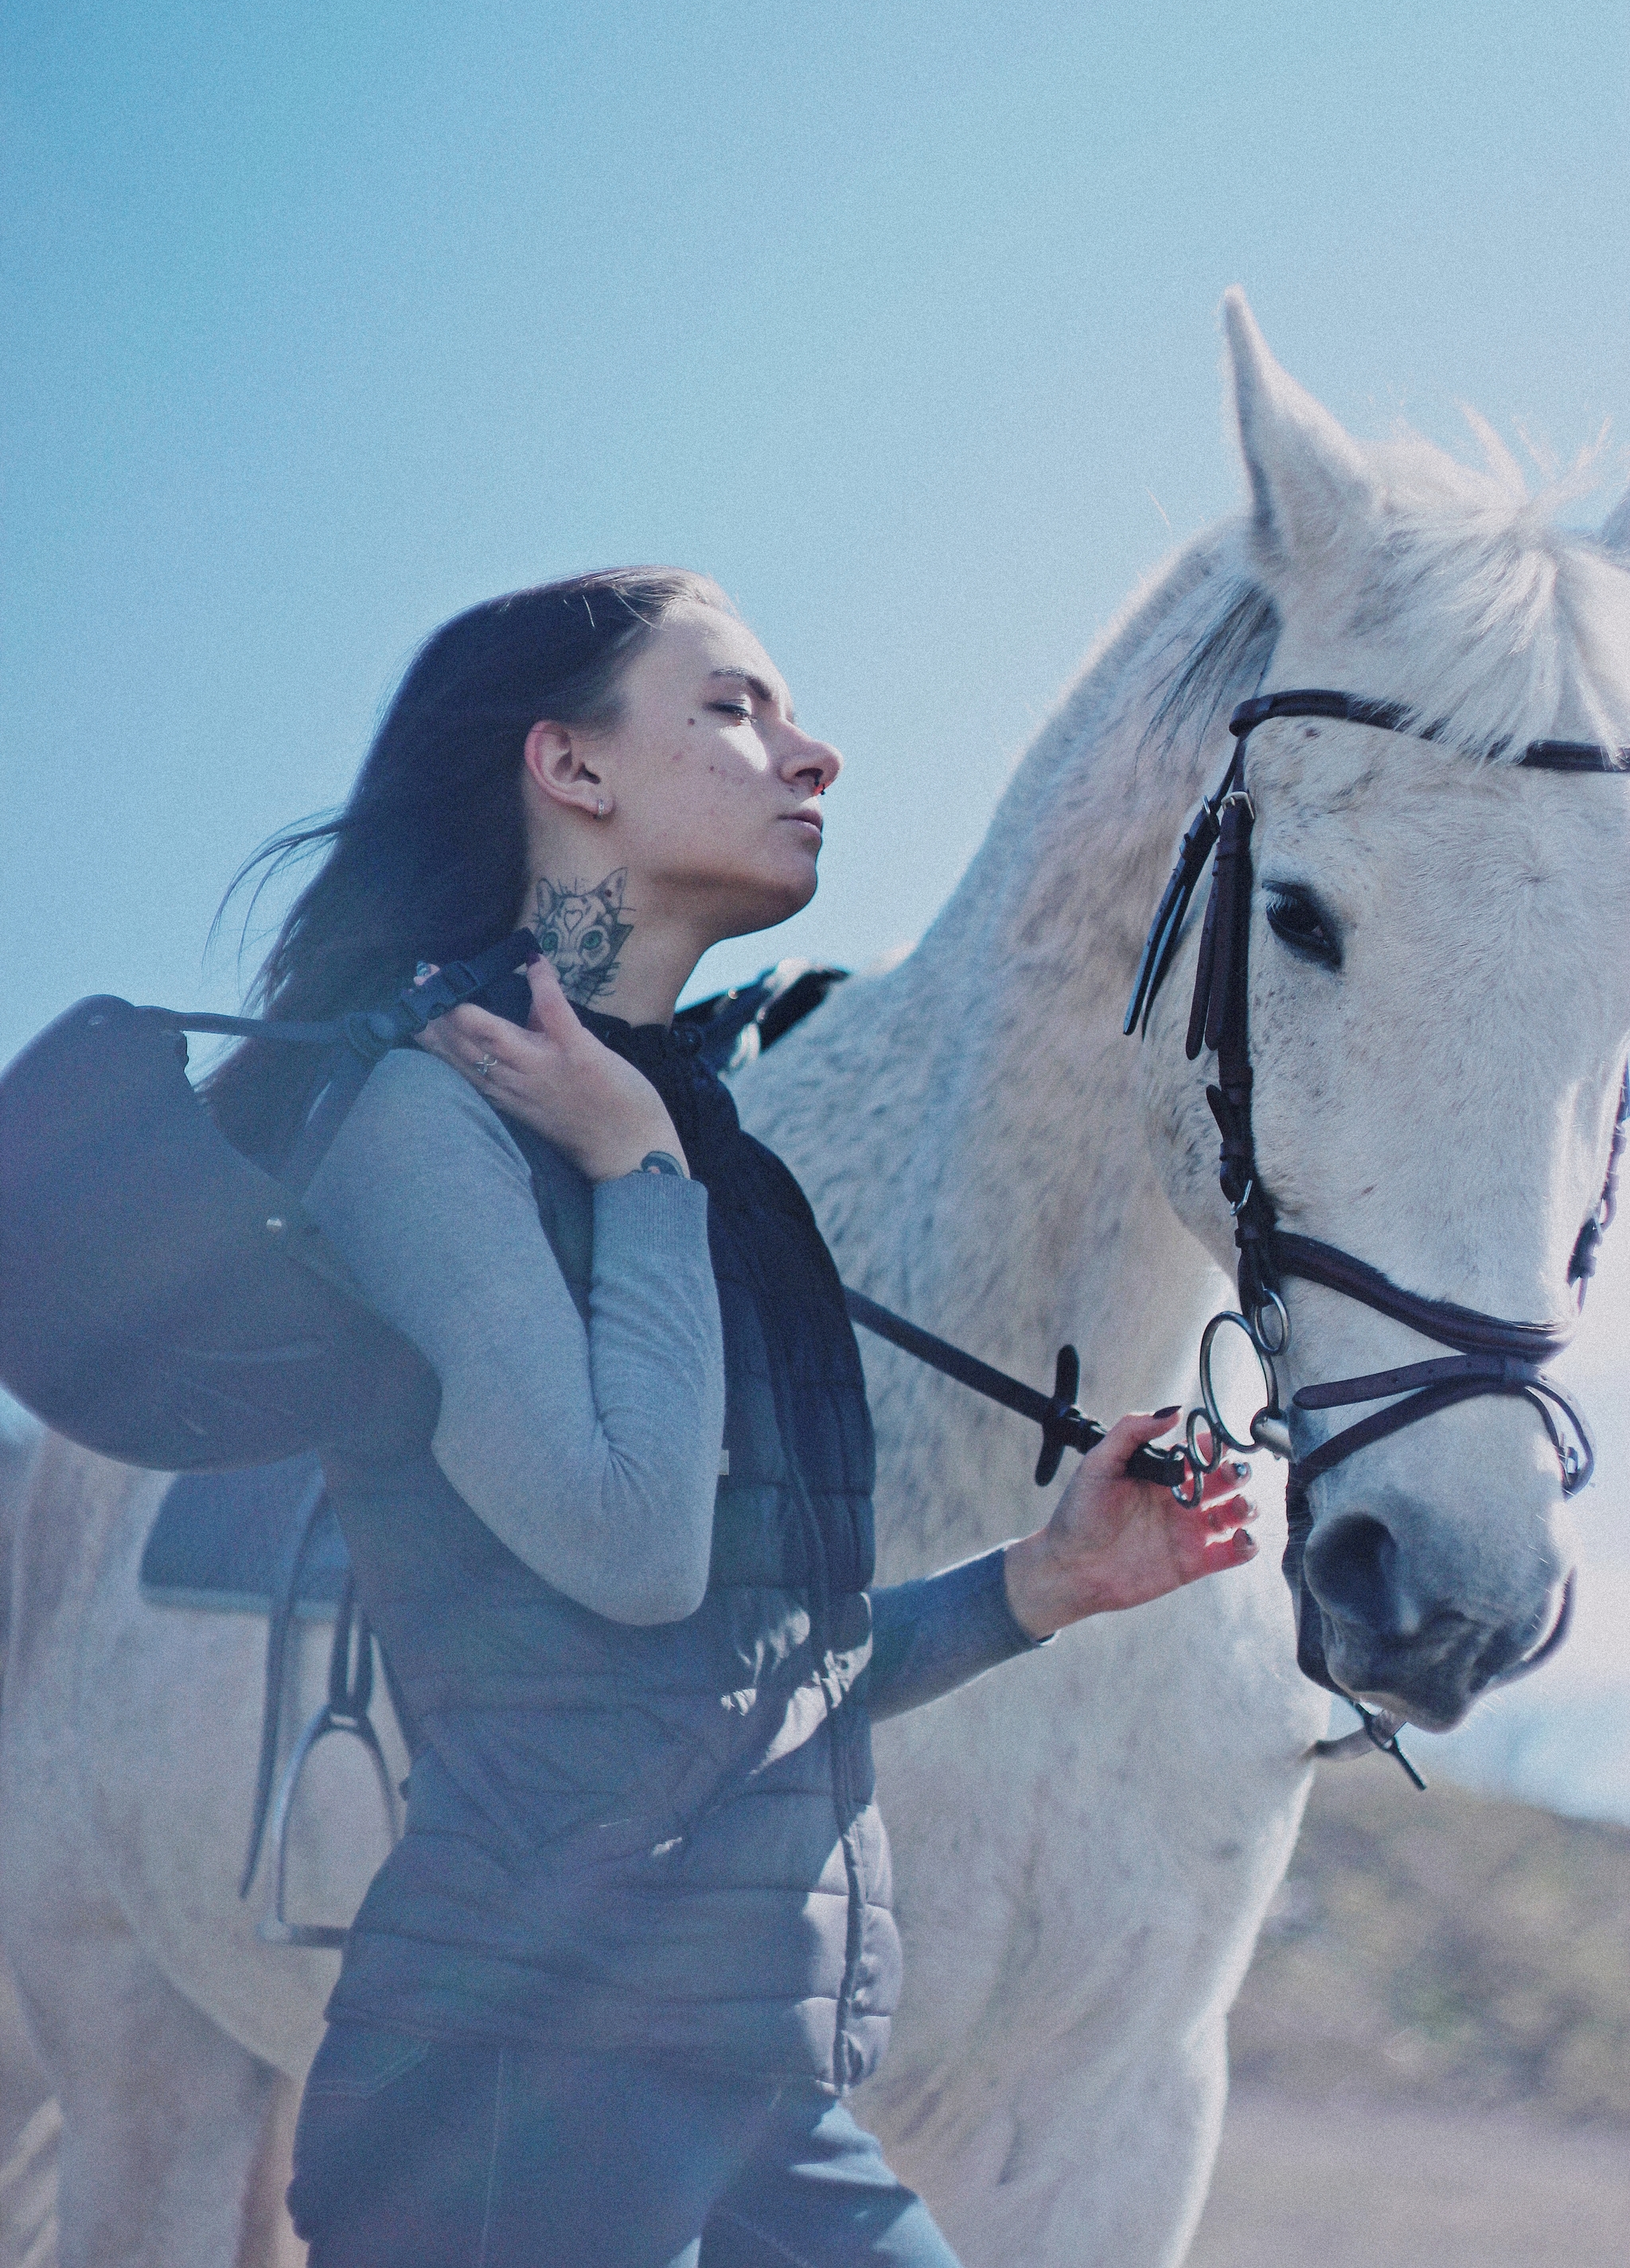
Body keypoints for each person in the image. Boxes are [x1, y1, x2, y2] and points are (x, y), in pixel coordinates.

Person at [209, 568, 1257, 2268]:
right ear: (571, 769)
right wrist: (635, 1165)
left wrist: (1034, 1585)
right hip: (508, 2110)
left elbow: (729, 1671)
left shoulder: (700, 1149)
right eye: (732, 708)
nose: (812, 752)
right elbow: (627, 1553)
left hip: (744, 2081)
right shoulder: (426, 1122)